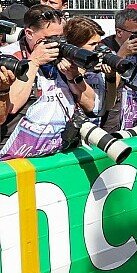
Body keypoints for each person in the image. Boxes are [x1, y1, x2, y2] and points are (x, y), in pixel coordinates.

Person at [0, 6, 99, 159]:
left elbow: (91, 104)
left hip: (59, 155)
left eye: (60, 38)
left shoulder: (62, 56)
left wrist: (73, 75)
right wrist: (34, 62)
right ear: (29, 34)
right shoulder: (10, 57)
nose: (56, 44)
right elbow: (11, 106)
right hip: (18, 159)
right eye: (50, 39)